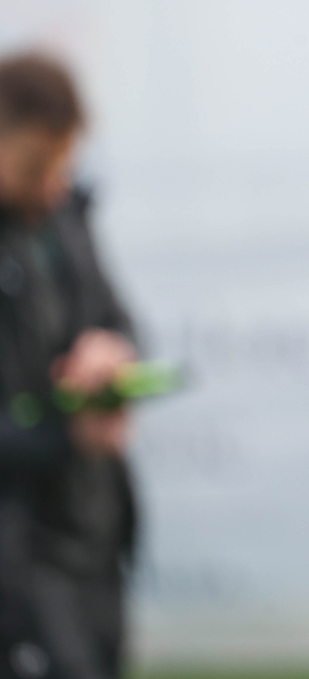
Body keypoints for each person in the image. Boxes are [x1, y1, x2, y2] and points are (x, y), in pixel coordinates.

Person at [0, 52, 137, 679]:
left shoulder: (67, 218)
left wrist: (111, 353)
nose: (54, 182)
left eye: (63, 163)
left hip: (94, 537)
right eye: (38, 165)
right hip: (17, 561)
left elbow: (121, 323)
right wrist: (66, 435)